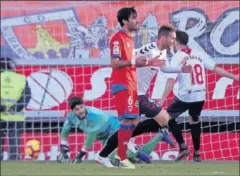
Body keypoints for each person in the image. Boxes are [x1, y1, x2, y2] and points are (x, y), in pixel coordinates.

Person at [96, 25, 192, 166]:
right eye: (172, 38)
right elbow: (130, 60)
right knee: (164, 118)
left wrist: (181, 69)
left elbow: (164, 68)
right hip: (133, 93)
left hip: (139, 94)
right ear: (164, 37)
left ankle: (107, 153)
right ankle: (133, 141)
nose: (174, 41)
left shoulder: (163, 53)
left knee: (131, 125)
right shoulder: (149, 50)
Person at [160, 31, 239, 162]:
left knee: (167, 117)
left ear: (176, 42)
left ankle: (183, 146)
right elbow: (215, 69)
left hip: (186, 95)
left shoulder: (177, 57)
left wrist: (162, 98)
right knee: (194, 120)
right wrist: (234, 77)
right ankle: (197, 154)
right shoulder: (199, 54)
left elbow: (171, 80)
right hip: (201, 95)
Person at [108, 6, 165, 169]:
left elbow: (134, 63)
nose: (137, 20)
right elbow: (115, 63)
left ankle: (120, 156)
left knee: (134, 121)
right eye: (133, 17)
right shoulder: (117, 38)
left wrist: (149, 62)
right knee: (128, 120)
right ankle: (119, 156)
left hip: (132, 86)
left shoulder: (130, 40)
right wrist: (134, 62)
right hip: (123, 84)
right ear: (125, 21)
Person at [57, 96, 151, 167]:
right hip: (102, 135)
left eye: (82, 107)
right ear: (72, 111)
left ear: (84, 106)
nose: (81, 111)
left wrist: (80, 155)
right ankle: (134, 155)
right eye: (77, 109)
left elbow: (90, 137)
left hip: (114, 128)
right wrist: (64, 148)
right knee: (115, 158)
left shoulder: (95, 115)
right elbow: (64, 132)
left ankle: (136, 151)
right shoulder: (70, 117)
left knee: (112, 156)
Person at [0, 57, 31, 160]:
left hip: (1, 115)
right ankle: (14, 165)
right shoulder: (21, 78)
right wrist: (15, 108)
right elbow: (27, 97)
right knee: (14, 144)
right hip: (16, 117)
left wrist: (3, 108)